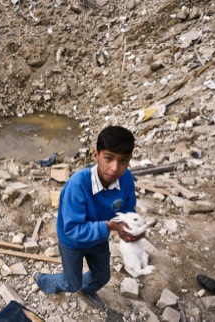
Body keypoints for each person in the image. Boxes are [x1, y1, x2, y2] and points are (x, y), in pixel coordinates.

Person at [34, 125, 144, 309]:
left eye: (123, 160)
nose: (115, 167)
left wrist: (128, 226)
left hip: (98, 238)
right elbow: (72, 229)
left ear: (129, 160)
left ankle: (86, 290)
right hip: (72, 243)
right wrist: (109, 226)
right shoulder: (78, 185)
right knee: (72, 283)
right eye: (108, 158)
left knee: (102, 276)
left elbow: (127, 207)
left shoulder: (126, 179)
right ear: (96, 155)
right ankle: (42, 279)